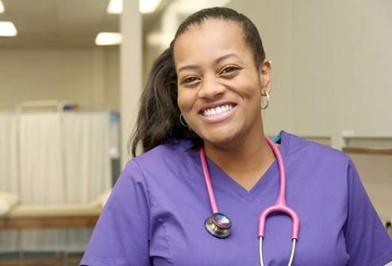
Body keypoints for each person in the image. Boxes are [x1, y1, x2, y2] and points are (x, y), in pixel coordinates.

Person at [80, 7, 392, 266]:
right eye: (191, 78)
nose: (210, 89)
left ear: (263, 75)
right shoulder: (147, 181)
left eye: (228, 69)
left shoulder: (332, 173)